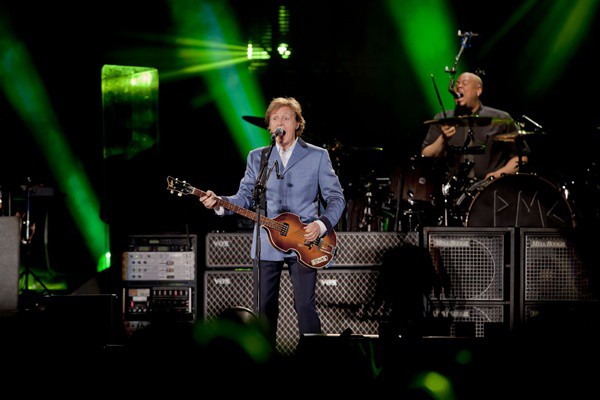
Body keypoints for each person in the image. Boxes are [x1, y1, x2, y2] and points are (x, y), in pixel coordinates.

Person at [199, 97, 346, 346]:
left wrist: (321, 225)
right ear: (269, 126)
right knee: (264, 309)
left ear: (298, 124)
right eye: (275, 118)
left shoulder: (317, 156)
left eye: (286, 118)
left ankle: (315, 361)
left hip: (305, 242)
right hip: (267, 242)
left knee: (305, 306)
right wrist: (220, 203)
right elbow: (244, 196)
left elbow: (336, 198)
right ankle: (265, 365)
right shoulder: (258, 157)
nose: (280, 122)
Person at [421, 72, 529, 182]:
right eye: (457, 83)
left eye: (464, 83)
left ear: (478, 90)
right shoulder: (443, 119)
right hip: (452, 193)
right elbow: (426, 156)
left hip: (491, 190)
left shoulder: (501, 119)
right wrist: (443, 139)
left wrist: (497, 175)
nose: (458, 86)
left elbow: (521, 158)